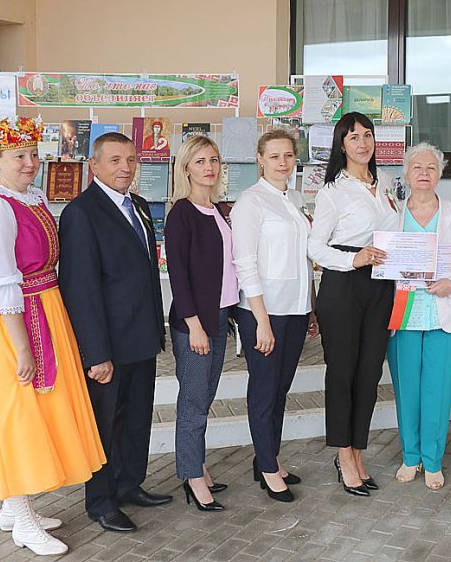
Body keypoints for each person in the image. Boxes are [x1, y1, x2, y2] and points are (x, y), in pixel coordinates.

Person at [0, 117, 105, 556]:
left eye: (32, 154)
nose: (29, 163)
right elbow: (0, 280)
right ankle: (23, 521)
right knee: (21, 416)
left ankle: (14, 508)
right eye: (18, 156)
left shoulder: (33, 197)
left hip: (48, 308)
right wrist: (22, 346)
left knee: (41, 411)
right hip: (20, 320)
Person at [58, 132, 170, 533]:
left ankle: (128, 484)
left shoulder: (138, 205)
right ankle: (101, 502)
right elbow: (80, 289)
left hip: (141, 337)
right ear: (94, 165)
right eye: (115, 160)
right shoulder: (81, 213)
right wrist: (96, 353)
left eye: (131, 159)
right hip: (108, 345)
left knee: (136, 421)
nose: (125, 167)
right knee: (104, 427)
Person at [308, 112, 398, 497]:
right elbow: (314, 246)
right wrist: (353, 259)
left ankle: (358, 451)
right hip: (344, 284)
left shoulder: (386, 185)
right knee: (343, 374)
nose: (363, 143)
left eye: (368, 135)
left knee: (369, 374)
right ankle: (343, 455)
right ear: (341, 145)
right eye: (353, 137)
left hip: (381, 286)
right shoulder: (332, 191)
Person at [386, 143, 451, 490]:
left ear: (440, 173)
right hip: (403, 316)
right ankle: (410, 456)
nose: (424, 173)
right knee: (406, 390)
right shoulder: (392, 214)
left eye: (431, 167)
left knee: (437, 391)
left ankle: (432, 460)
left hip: (446, 316)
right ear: (406, 174)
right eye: (417, 167)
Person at [231, 130, 319, 503]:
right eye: (274, 156)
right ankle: (267, 468)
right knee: (264, 391)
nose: (282, 162)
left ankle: (268, 457)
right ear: (260, 159)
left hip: (295, 309)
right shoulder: (250, 203)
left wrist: (311, 306)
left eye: (288, 155)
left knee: (280, 389)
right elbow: (245, 264)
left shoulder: (295, 198)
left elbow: (304, 259)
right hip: (264, 312)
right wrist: (262, 321)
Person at [165, 135, 239, 512]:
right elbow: (178, 275)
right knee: (193, 402)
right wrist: (193, 324)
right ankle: (192, 477)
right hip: (194, 322)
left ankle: (198, 465)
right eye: (200, 161)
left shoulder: (220, 210)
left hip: (219, 316)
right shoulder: (182, 213)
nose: (209, 167)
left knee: (205, 398)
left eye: (213, 160)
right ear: (186, 169)